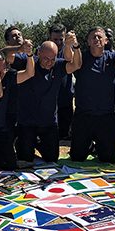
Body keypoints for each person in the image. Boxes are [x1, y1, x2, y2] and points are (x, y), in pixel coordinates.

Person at [69, 27, 115, 163]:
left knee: (107, 159)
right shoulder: (82, 57)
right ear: (88, 41)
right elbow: (71, 61)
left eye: (100, 37)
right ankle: (89, 146)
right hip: (83, 116)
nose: (97, 39)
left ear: (105, 41)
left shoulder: (112, 57)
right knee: (77, 157)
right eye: (93, 37)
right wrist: (71, 44)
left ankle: (97, 147)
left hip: (106, 117)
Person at [16, 34, 81, 166]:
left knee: (52, 160)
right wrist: (20, 48)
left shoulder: (57, 66)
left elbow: (76, 65)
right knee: (24, 160)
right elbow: (7, 56)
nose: (49, 62)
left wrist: (75, 46)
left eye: (52, 59)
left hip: (49, 123)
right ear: (39, 53)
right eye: (46, 58)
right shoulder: (28, 61)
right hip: (27, 122)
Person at [49, 24, 75, 140]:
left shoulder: (68, 50)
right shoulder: (43, 51)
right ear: (50, 38)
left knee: (64, 134)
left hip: (65, 97)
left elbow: (73, 60)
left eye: (61, 39)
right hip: (48, 98)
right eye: (55, 39)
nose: (59, 42)